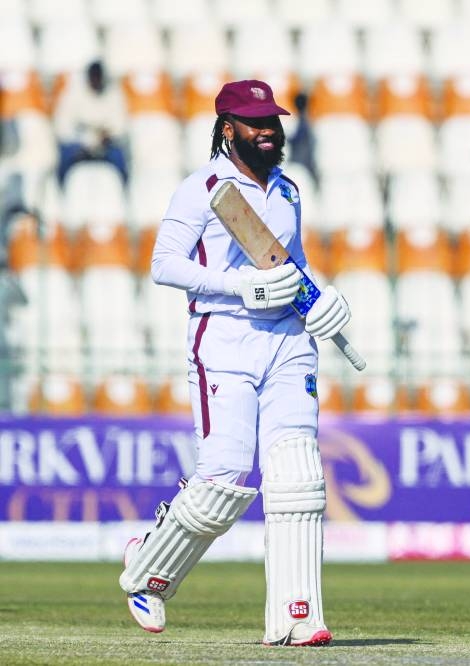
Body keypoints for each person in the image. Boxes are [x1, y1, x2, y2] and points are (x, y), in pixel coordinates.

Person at [118, 80, 352, 646]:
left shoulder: (289, 190)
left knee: (297, 476)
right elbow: (164, 265)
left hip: (289, 341)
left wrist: (321, 301)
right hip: (224, 342)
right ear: (229, 129)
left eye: (273, 121)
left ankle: (298, 615)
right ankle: (149, 570)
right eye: (255, 123)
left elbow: (290, 265)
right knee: (223, 481)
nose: (269, 131)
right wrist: (239, 286)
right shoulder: (202, 190)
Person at [52, 60, 129, 184]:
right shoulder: (73, 93)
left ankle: (124, 193)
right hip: (78, 145)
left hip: (106, 146)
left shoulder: (114, 93)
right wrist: (84, 141)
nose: (96, 82)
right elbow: (62, 126)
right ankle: (62, 193)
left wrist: (107, 136)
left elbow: (121, 125)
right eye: (94, 78)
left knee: (120, 160)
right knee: (64, 161)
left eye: (99, 78)